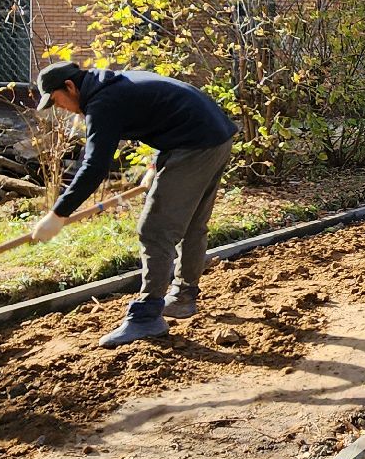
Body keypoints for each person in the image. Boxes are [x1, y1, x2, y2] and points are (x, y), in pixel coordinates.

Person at [30, 61, 238, 349]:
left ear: (69, 86)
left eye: (56, 101)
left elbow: (95, 166)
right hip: (214, 135)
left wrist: (59, 213)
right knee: (191, 223)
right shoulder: (113, 84)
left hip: (194, 143)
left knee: (154, 230)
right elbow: (163, 112)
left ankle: (147, 316)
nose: (61, 108)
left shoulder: (102, 102)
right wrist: (155, 164)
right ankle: (183, 296)